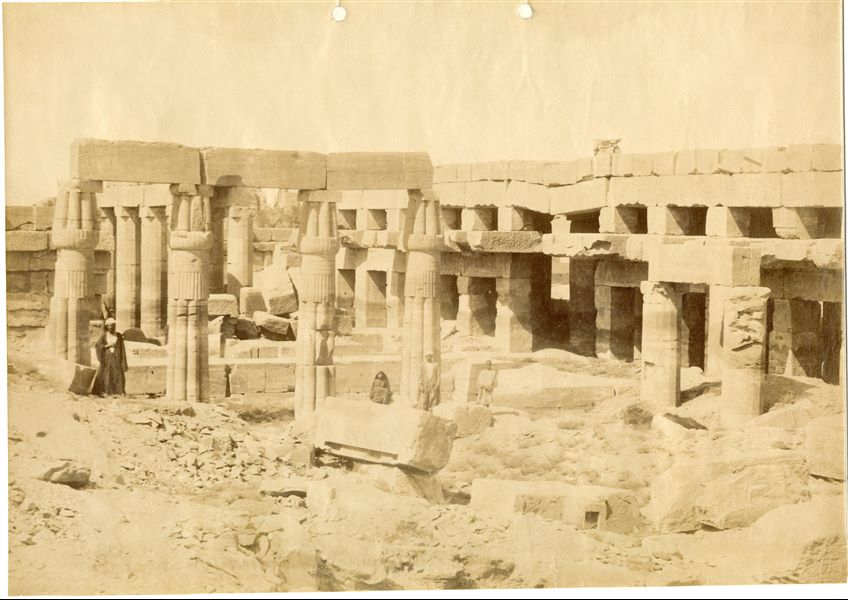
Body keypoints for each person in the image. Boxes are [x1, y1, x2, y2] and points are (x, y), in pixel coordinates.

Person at [92, 317, 128, 397]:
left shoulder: (118, 336)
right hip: (107, 357)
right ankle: (106, 391)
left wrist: (123, 360)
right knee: (107, 374)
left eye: (112, 325)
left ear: (114, 325)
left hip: (116, 357)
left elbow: (122, 348)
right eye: (109, 325)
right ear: (106, 326)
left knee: (118, 373)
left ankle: (119, 391)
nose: (111, 327)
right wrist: (108, 345)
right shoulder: (104, 336)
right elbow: (98, 346)